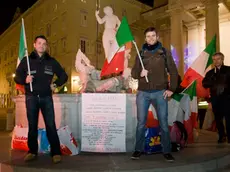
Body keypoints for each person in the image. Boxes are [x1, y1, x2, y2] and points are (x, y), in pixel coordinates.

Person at [14, 35, 68, 163]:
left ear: (46, 46)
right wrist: (24, 80)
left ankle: (55, 152)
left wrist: (55, 84)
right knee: (32, 126)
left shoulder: (51, 61)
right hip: (31, 98)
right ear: (34, 45)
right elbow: (17, 77)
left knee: (50, 125)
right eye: (39, 43)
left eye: (44, 44)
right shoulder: (27, 60)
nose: (42, 45)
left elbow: (63, 76)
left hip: (46, 98)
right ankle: (32, 151)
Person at [131, 27, 178, 162]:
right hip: (143, 93)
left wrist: (172, 89)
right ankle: (138, 149)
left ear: (157, 37)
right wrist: (140, 74)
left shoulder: (164, 52)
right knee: (141, 123)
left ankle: (167, 150)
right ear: (145, 38)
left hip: (160, 92)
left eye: (153, 36)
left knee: (163, 122)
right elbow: (134, 73)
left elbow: (173, 71)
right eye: (148, 36)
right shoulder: (141, 53)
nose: (150, 38)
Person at [202, 52, 230, 143]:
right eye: (214, 59)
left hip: (227, 98)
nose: (216, 61)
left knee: (228, 118)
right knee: (218, 119)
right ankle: (222, 136)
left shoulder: (228, 70)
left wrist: (225, 87)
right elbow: (204, 84)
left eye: (218, 59)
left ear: (222, 59)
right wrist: (212, 79)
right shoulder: (211, 72)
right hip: (215, 99)